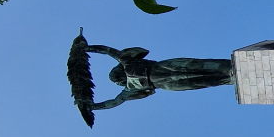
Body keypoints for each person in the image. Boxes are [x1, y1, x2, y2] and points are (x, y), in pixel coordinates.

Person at [85, 44, 232, 110]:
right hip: (165, 72)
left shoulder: (128, 86)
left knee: (199, 78)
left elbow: (113, 102)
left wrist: (93, 106)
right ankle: (228, 71)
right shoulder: (127, 65)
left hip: (166, 78)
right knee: (198, 71)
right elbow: (107, 50)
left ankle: (228, 75)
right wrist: (88, 48)